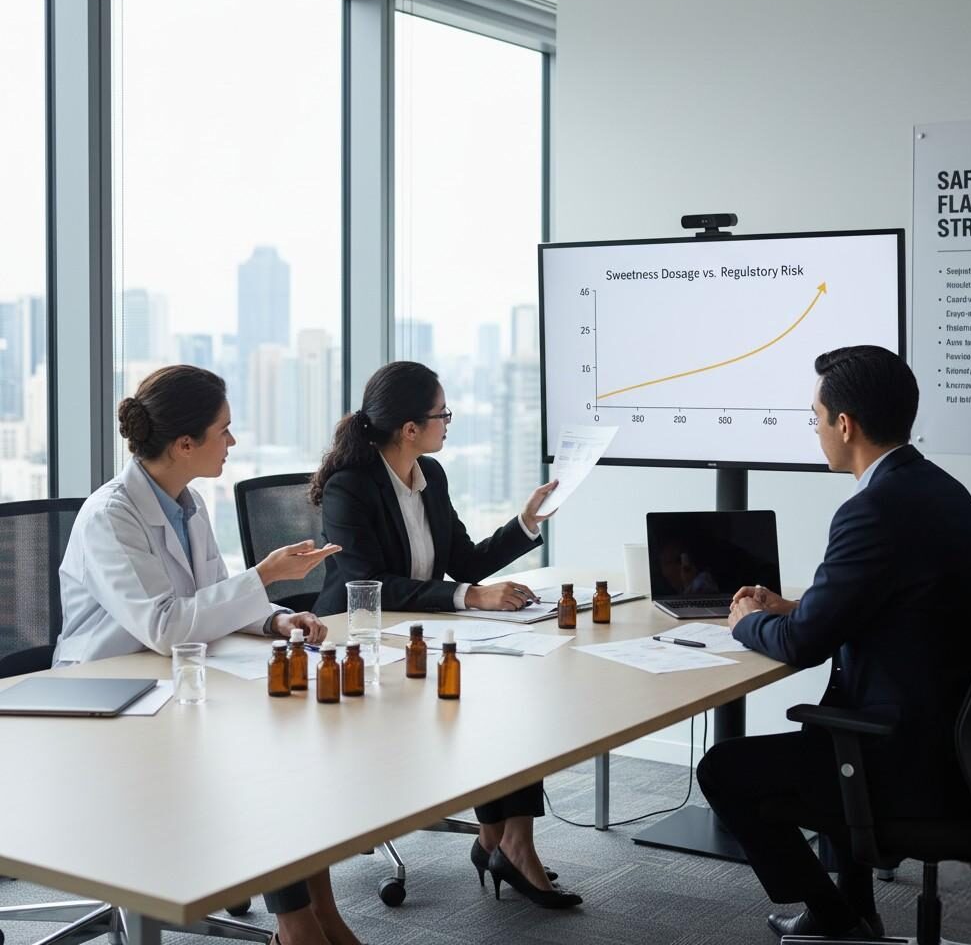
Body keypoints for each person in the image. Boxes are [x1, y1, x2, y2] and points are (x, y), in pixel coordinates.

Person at [56, 365, 363, 945]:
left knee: (293, 742)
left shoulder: (187, 502)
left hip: (170, 679)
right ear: (185, 443)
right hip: (105, 696)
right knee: (265, 756)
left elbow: (210, 598)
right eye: (224, 430)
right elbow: (166, 625)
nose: (233, 441)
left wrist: (273, 617)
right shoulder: (111, 515)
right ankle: (296, 923)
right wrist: (263, 575)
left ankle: (319, 912)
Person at [696, 346, 971, 940]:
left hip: (905, 759)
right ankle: (854, 911)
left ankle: (837, 923)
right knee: (829, 733)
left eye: (815, 418)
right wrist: (789, 603)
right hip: (964, 744)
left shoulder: (873, 510)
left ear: (845, 425)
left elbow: (804, 645)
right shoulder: (940, 490)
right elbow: (895, 602)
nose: (816, 431)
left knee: (726, 770)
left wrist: (744, 621)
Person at [311, 360, 581, 909]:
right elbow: (370, 584)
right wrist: (467, 597)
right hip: (357, 645)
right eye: (442, 414)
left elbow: (463, 561)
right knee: (480, 702)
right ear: (410, 429)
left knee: (513, 693)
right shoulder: (349, 488)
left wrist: (526, 523)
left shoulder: (431, 477)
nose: (448, 423)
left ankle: (509, 840)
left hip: (423, 634)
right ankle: (499, 841)